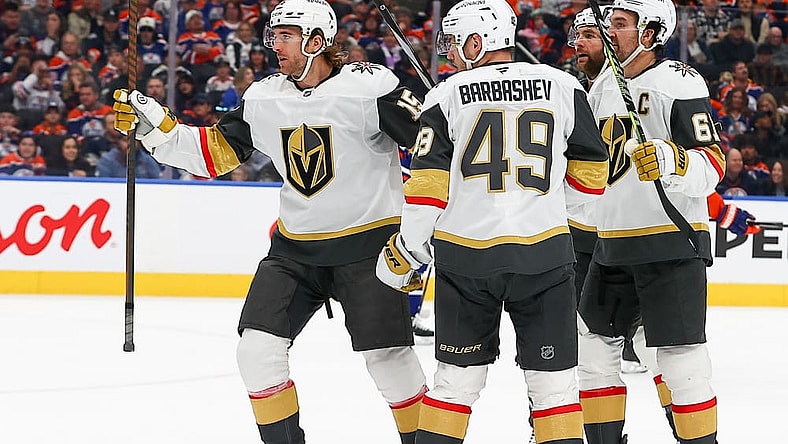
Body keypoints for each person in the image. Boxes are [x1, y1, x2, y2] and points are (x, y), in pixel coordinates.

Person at [111, 1, 427, 443]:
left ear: (317, 41)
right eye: (273, 34)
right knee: (256, 353)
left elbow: (431, 147)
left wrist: (428, 220)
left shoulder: (370, 87)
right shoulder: (264, 97)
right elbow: (215, 154)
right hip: (294, 250)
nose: (273, 44)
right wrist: (157, 131)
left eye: (285, 35)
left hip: (368, 249)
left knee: (390, 361)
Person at [375, 1, 608, 443]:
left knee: (454, 385)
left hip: (467, 261)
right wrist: (559, 211)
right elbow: (593, 174)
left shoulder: (445, 95)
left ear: (476, 42)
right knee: (555, 388)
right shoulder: (562, 85)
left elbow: (426, 189)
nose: (449, 53)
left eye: (454, 42)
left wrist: (408, 249)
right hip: (545, 258)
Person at [579, 1, 725, 443]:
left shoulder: (676, 81)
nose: (609, 31)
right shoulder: (602, 86)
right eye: (608, 23)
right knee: (592, 352)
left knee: (681, 362)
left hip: (669, 243)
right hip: (610, 243)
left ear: (650, 33)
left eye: (620, 24)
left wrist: (671, 158)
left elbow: (713, 164)